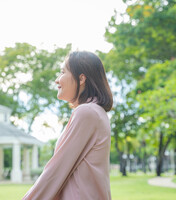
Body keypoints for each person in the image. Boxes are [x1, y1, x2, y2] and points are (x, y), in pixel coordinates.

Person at [23, 51, 113, 200]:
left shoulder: (87, 112)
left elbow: (56, 171)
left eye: (62, 72)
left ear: (81, 78)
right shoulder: (95, 112)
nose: (57, 80)